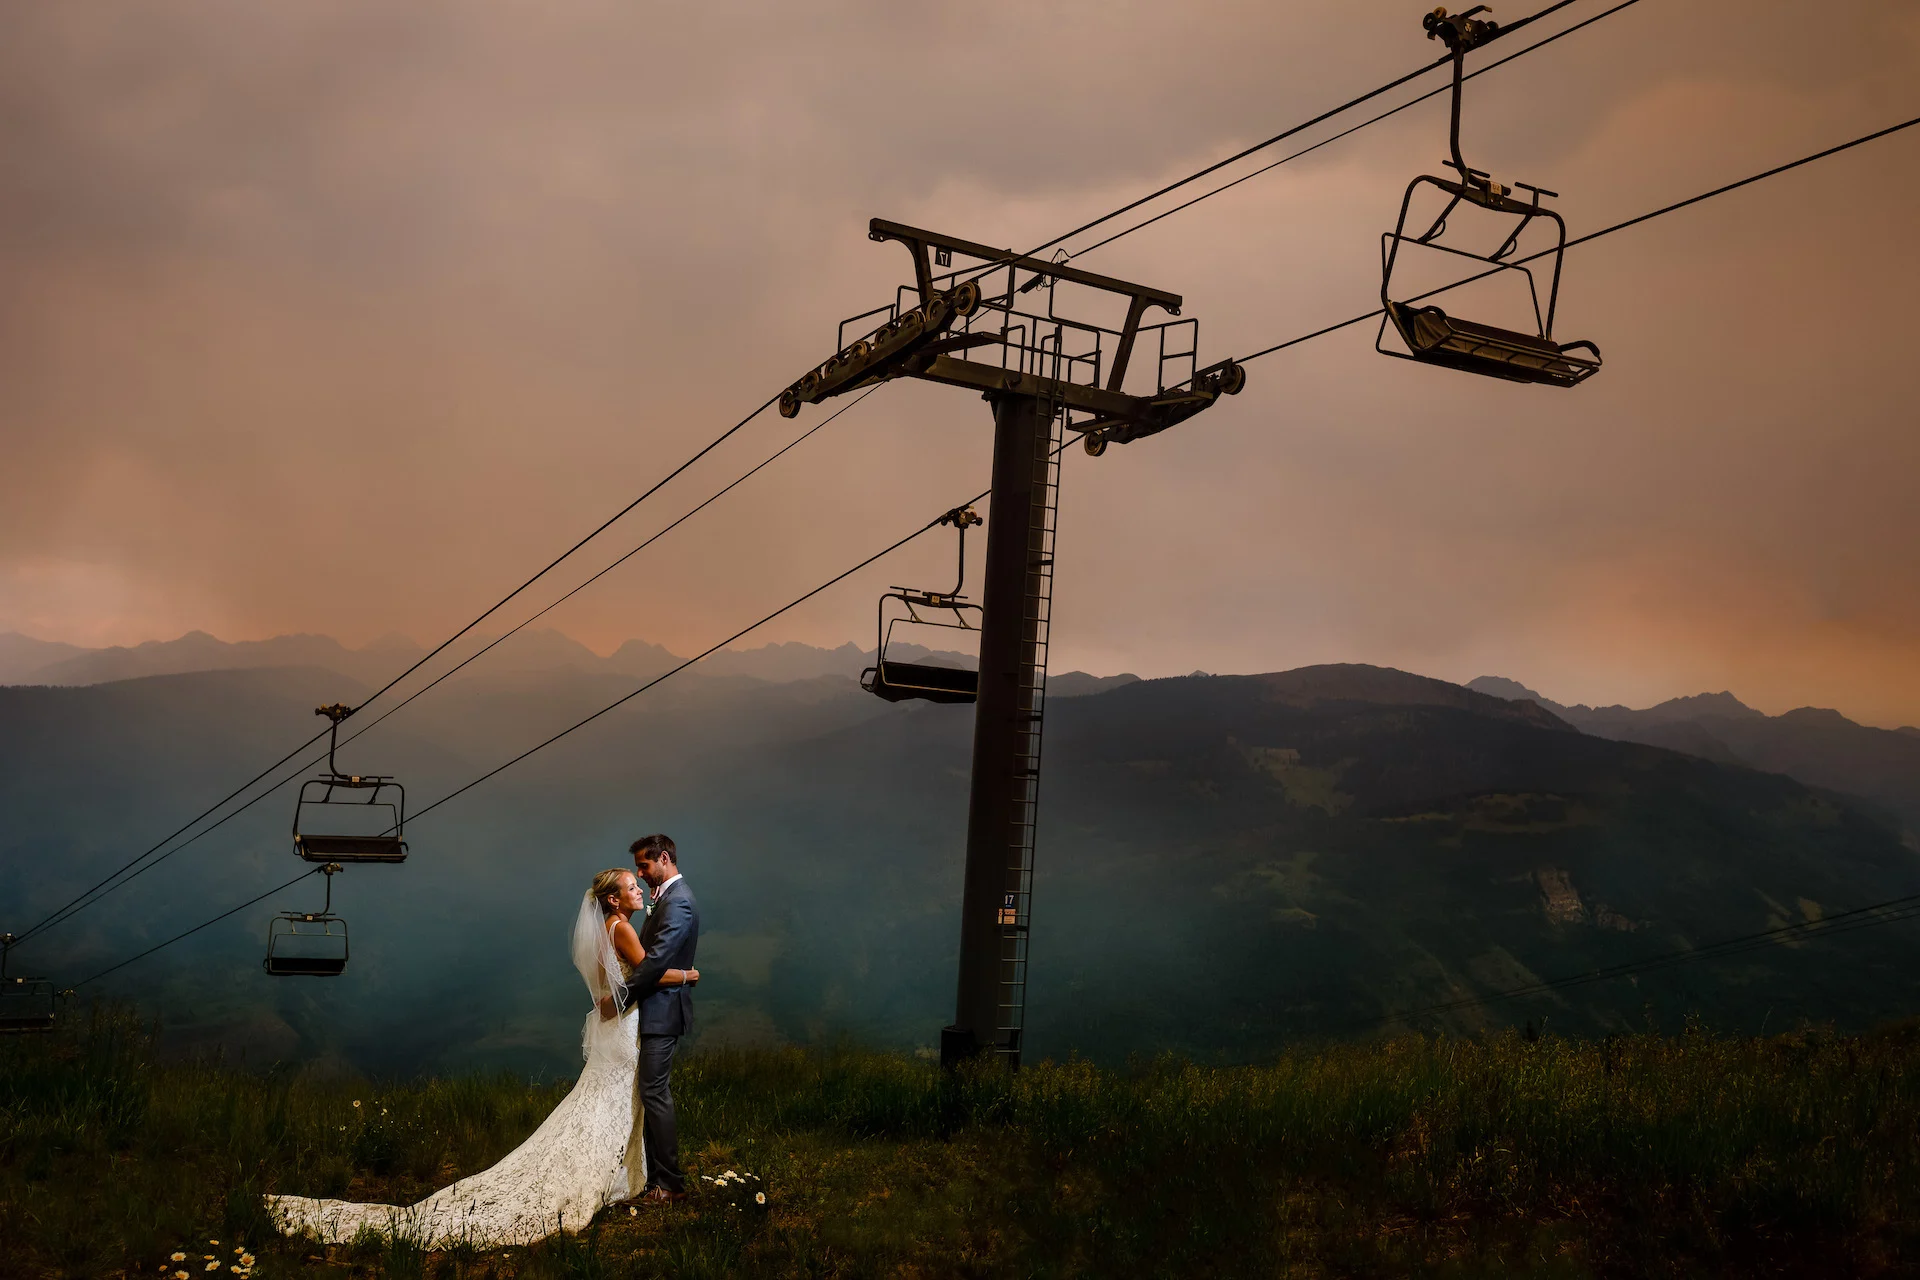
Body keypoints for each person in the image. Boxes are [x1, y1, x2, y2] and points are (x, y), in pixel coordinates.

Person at [263, 867, 699, 1247]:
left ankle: (630, 1176)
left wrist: (618, 999)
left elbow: (614, 990)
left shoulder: (605, 929)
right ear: (613, 898)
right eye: (630, 886)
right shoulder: (621, 928)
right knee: (619, 1101)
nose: (637, 891)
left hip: (615, 1024)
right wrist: (687, 974)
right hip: (625, 1031)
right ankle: (626, 1177)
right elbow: (648, 974)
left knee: (605, 1103)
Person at [604, 833, 699, 1205]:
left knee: (655, 1093)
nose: (641, 874)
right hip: (653, 1009)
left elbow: (655, 961)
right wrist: (687, 974)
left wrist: (619, 1001)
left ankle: (670, 1186)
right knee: (650, 1092)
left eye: (644, 865)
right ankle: (654, 1178)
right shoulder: (669, 900)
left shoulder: (680, 903)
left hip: (662, 1012)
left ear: (663, 858)